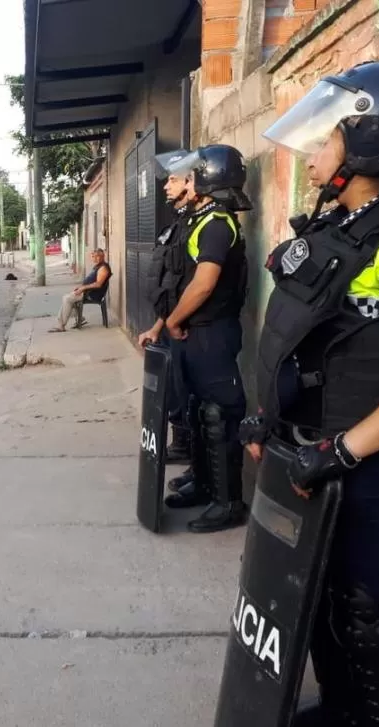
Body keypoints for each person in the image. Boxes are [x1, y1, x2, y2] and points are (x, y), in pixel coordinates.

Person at [240, 60, 379, 726]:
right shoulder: (344, 229)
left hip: (377, 465)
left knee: (367, 608)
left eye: (327, 139)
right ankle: (345, 710)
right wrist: (267, 420)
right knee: (320, 594)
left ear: (374, 143)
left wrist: (341, 453)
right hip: (320, 452)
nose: (314, 153)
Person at [158, 144, 252, 533]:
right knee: (198, 411)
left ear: (205, 179)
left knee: (220, 416)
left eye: (182, 176)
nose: (169, 183)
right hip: (194, 333)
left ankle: (228, 502)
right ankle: (203, 482)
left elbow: (203, 284)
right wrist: (167, 322)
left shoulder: (217, 224)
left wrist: (174, 321)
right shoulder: (198, 221)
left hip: (212, 333)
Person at [139, 149, 196, 464]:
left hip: (187, 327)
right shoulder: (179, 224)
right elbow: (172, 284)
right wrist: (158, 326)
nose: (166, 186)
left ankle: (188, 446)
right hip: (171, 323)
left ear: (192, 181)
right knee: (174, 387)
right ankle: (182, 443)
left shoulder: (206, 225)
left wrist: (170, 323)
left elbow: (195, 285)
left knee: (187, 390)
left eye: (173, 179)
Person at [49, 248, 111, 333]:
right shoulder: (98, 266)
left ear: (103, 256)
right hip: (87, 291)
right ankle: (79, 318)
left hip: (93, 294)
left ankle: (61, 325)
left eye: (97, 256)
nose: (95, 258)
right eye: (93, 256)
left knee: (67, 299)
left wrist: (83, 288)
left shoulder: (103, 268)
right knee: (67, 298)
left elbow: (98, 284)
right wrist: (80, 287)